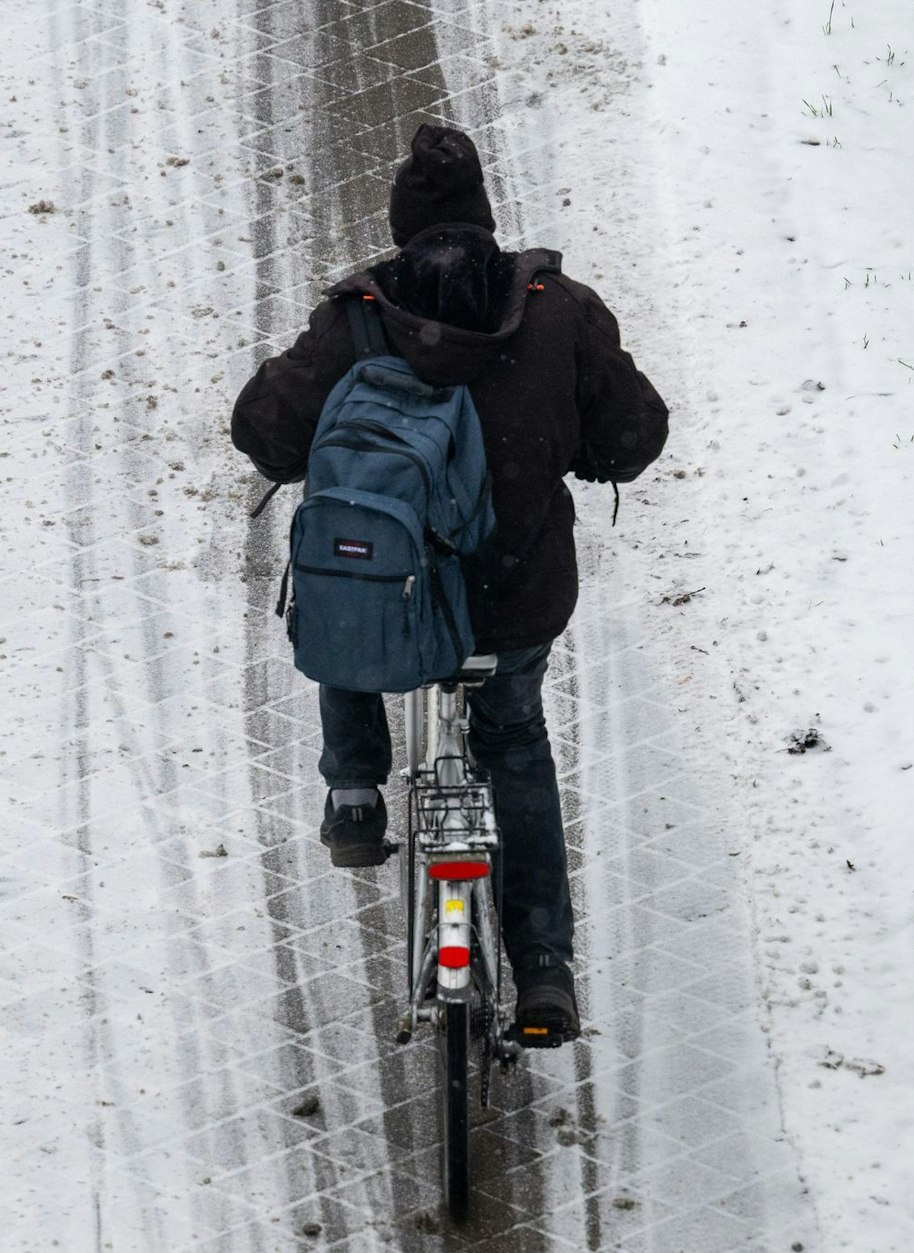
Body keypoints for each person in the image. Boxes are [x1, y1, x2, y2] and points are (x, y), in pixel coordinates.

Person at [230, 123, 668, 1043]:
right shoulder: (560, 313)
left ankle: (356, 792)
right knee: (515, 743)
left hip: (391, 600)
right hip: (512, 606)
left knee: (344, 584)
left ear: (400, 229)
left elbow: (266, 432)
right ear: (487, 222)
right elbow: (633, 436)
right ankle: (544, 967)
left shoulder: (357, 318)